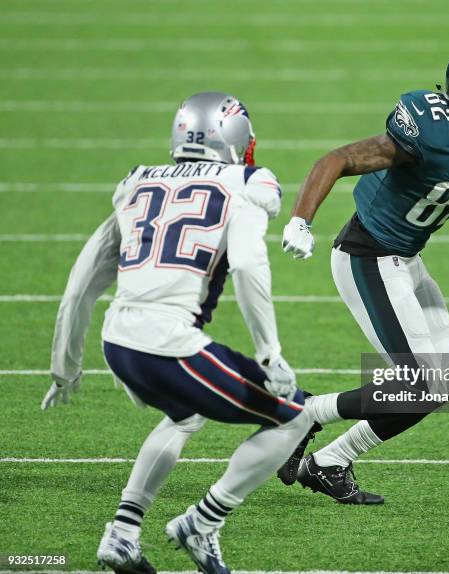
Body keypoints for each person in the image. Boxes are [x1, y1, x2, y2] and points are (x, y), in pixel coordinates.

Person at [41, 91, 313, 574]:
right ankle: (203, 523)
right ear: (233, 137)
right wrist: (270, 355)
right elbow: (249, 266)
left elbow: (82, 280)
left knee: (185, 415)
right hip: (166, 344)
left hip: (117, 342)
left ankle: (122, 533)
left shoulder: (137, 183)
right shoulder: (248, 181)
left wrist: (65, 367)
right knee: (294, 419)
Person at [279, 41, 449, 504]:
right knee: (419, 382)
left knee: (438, 386)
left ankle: (329, 463)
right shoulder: (427, 125)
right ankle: (305, 413)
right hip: (367, 254)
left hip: (408, 261)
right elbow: (336, 159)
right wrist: (301, 220)